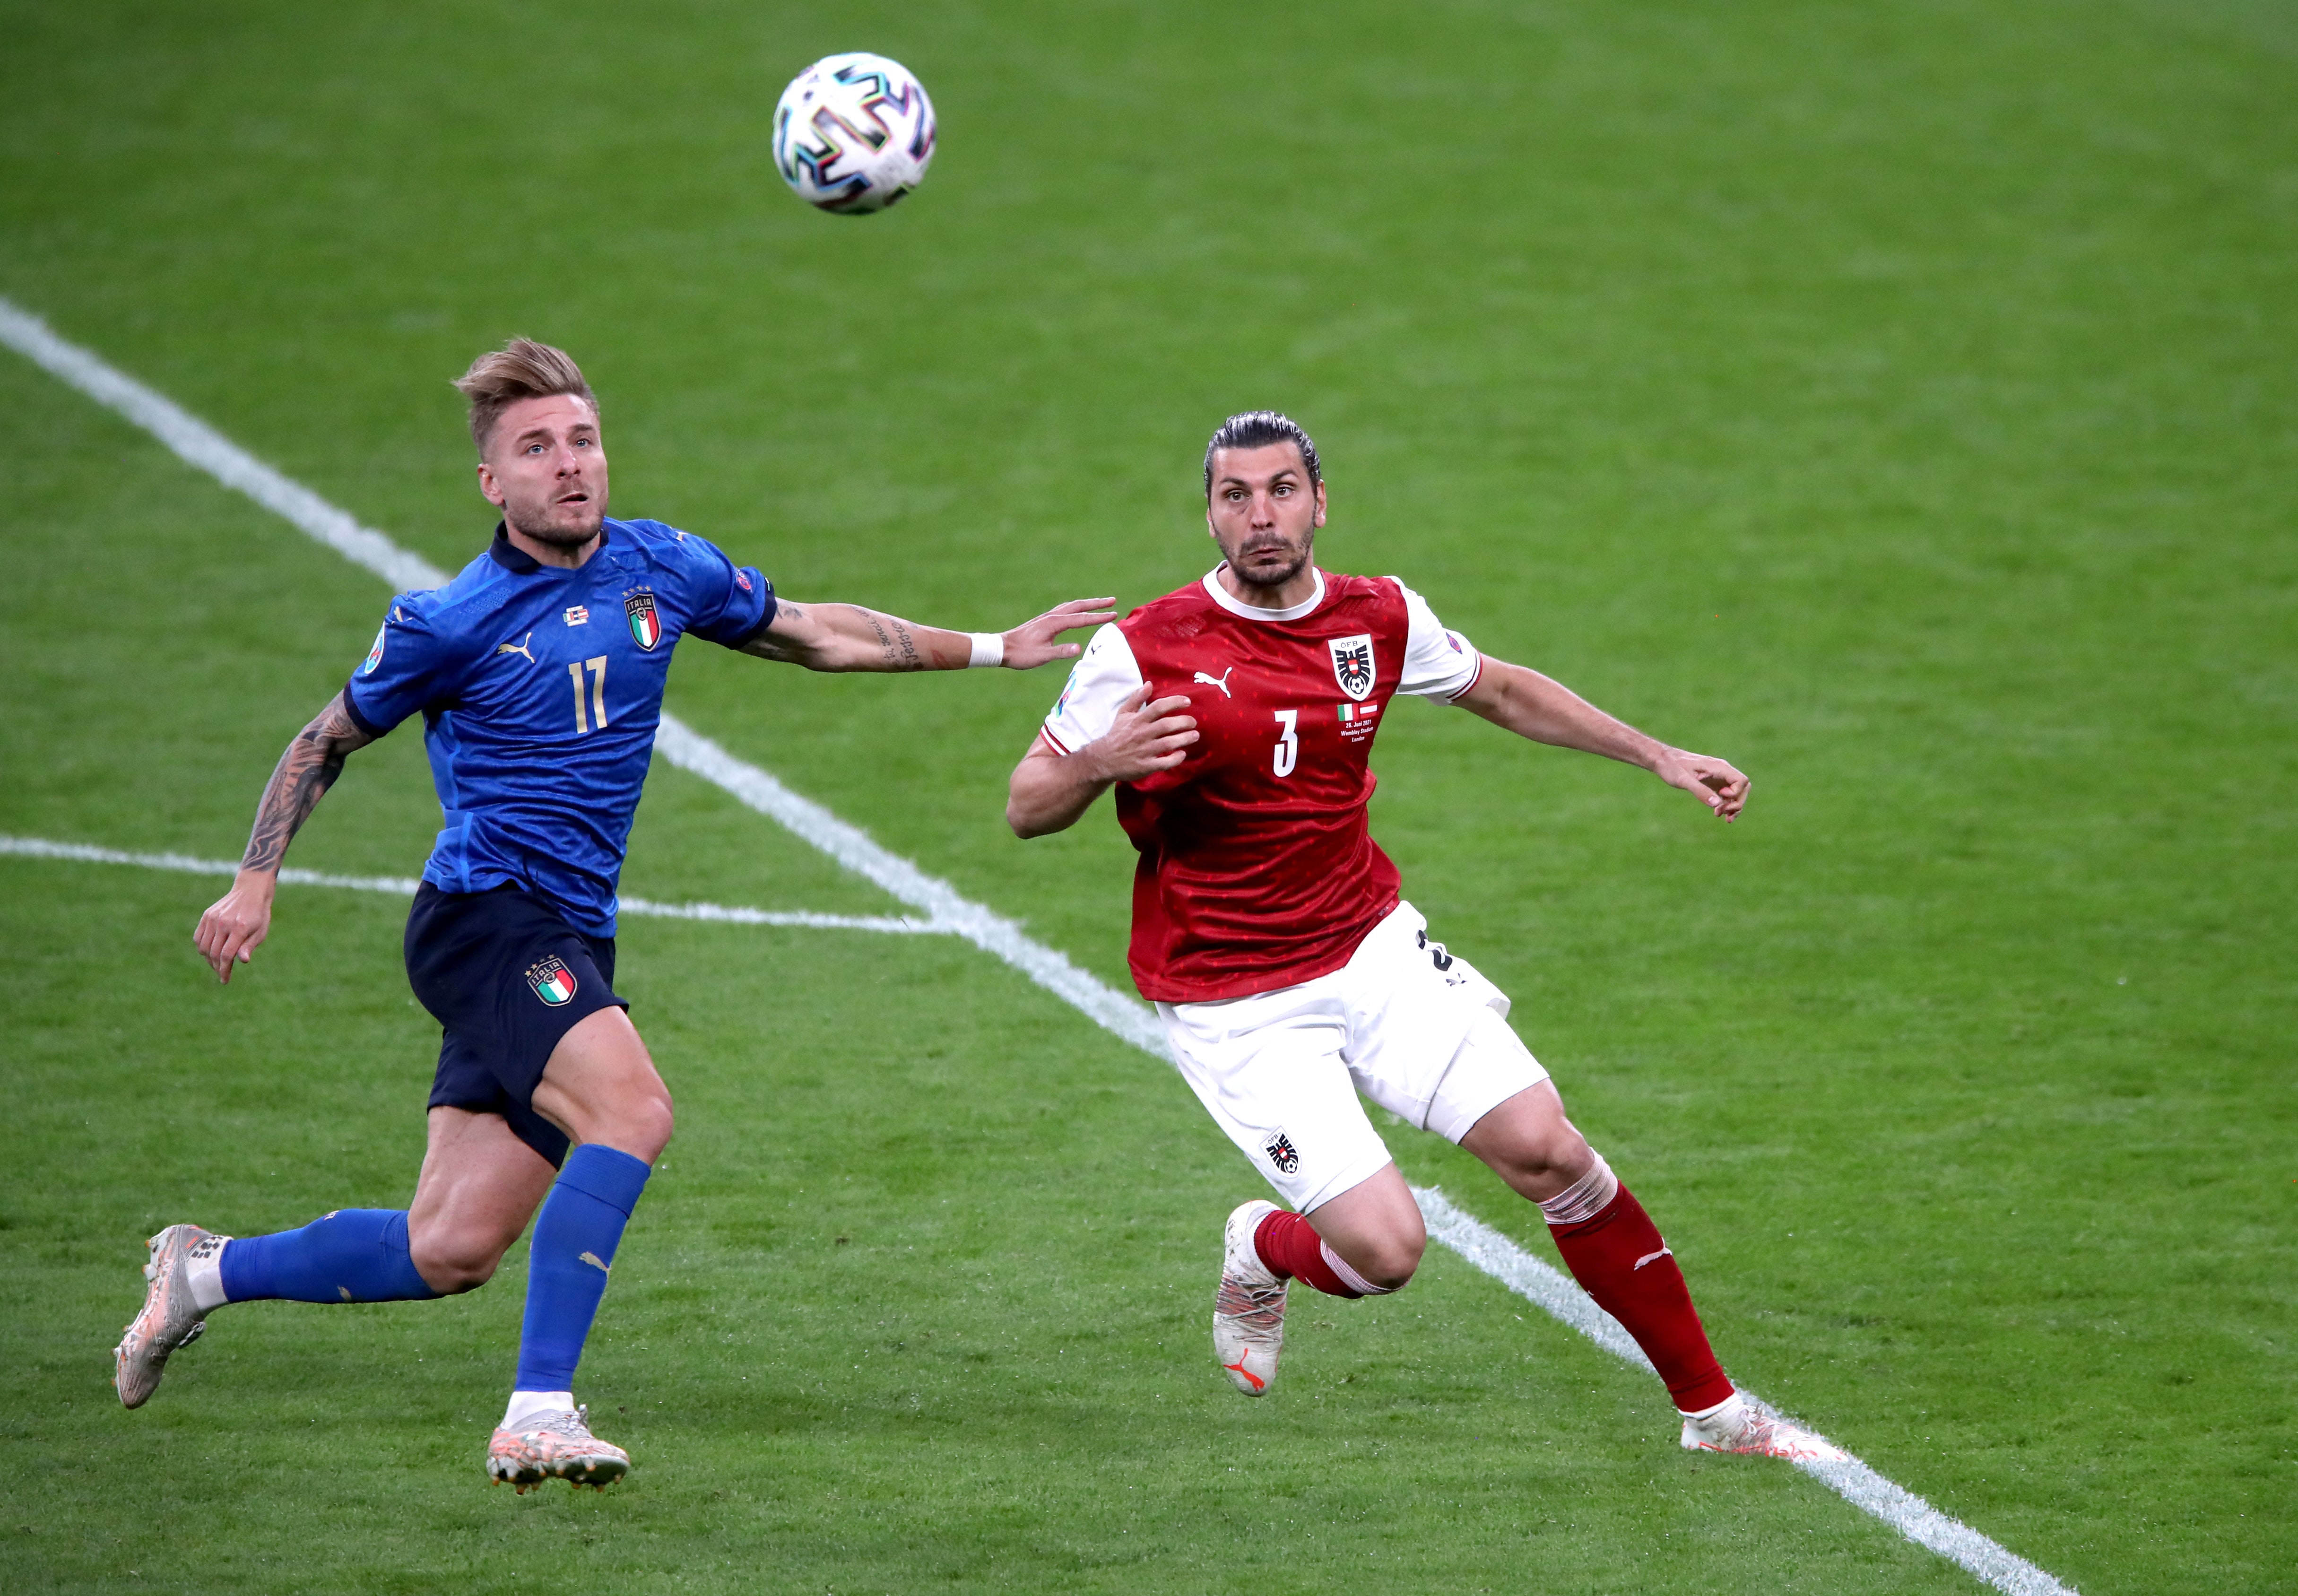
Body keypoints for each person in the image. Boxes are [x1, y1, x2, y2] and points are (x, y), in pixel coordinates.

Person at [117, 338, 1112, 1492]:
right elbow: (323, 739)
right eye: (535, 448)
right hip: (486, 925)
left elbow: (814, 631)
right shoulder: (452, 619)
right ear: (493, 482)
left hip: (570, 933)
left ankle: (205, 1270)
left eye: (581, 439)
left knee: (450, 1246)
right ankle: (537, 1408)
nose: (569, 465)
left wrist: (995, 647)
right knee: (632, 1110)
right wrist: (256, 876)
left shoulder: (661, 567)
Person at [1005, 410, 1840, 1460]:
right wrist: (1100, 760)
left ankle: (1714, 1413)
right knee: (1388, 1252)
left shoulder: (1380, 616)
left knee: (1553, 1153)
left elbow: (1497, 688)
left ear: (1319, 501)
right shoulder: (1146, 646)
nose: (1260, 515)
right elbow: (1026, 804)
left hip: (1367, 945)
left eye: (1280, 490)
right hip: (1235, 995)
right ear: (1208, 513)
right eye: (1234, 495)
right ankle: (1262, 1244)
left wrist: (1657, 753)